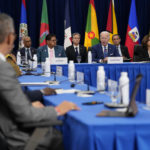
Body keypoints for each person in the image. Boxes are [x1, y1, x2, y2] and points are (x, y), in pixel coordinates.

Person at [0, 13, 79, 150]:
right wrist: (58, 109)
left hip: (6, 127)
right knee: (62, 134)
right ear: (9, 37)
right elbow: (26, 115)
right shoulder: (3, 68)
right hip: (14, 138)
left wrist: (28, 103)